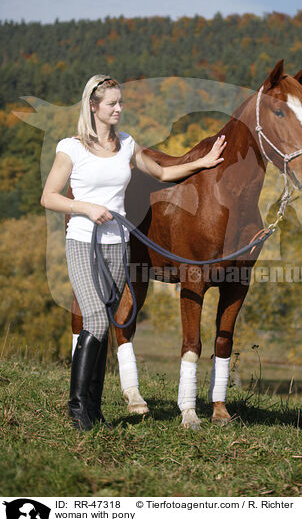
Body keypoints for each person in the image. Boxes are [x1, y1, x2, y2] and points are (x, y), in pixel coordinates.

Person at [40, 75, 227, 431]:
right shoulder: (71, 147)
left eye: (121, 102)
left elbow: (162, 171)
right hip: (83, 241)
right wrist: (86, 208)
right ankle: (77, 410)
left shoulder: (126, 145)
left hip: (117, 245)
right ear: (93, 107)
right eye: (112, 103)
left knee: (108, 321)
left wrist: (202, 163)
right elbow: (49, 197)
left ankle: (93, 411)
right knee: (95, 320)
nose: (119, 109)